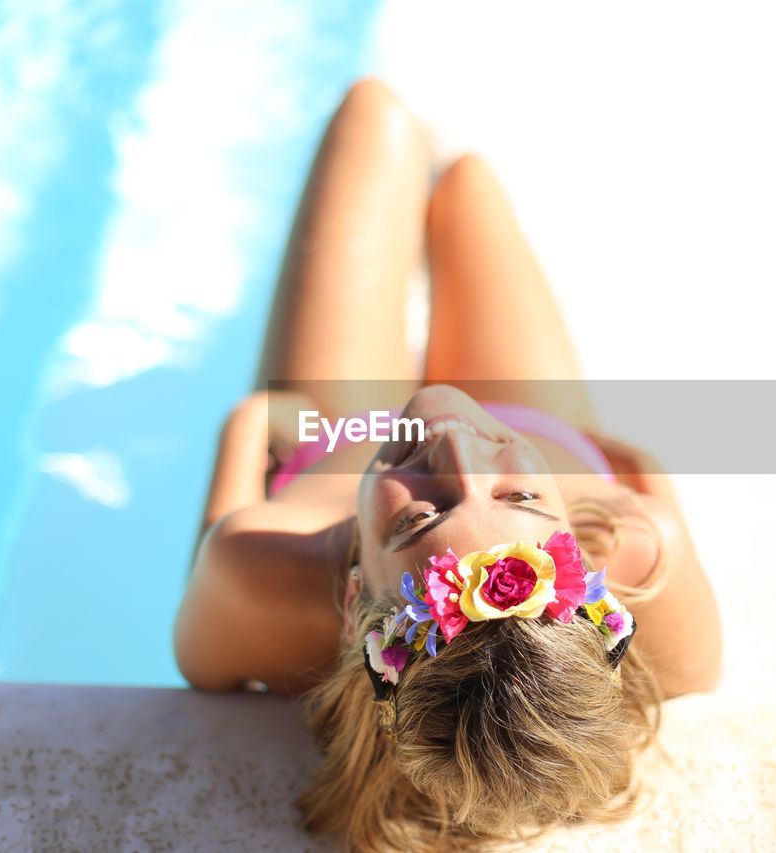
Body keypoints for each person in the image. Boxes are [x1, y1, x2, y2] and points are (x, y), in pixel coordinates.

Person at [174, 78, 722, 852]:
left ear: (356, 588)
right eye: (523, 495)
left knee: (376, 114)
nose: (455, 440)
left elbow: (207, 587)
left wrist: (246, 434)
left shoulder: (260, 573)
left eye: (420, 515)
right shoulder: (640, 547)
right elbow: (695, 677)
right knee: (467, 188)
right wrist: (627, 470)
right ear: (580, 547)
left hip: (339, 430)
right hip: (537, 423)